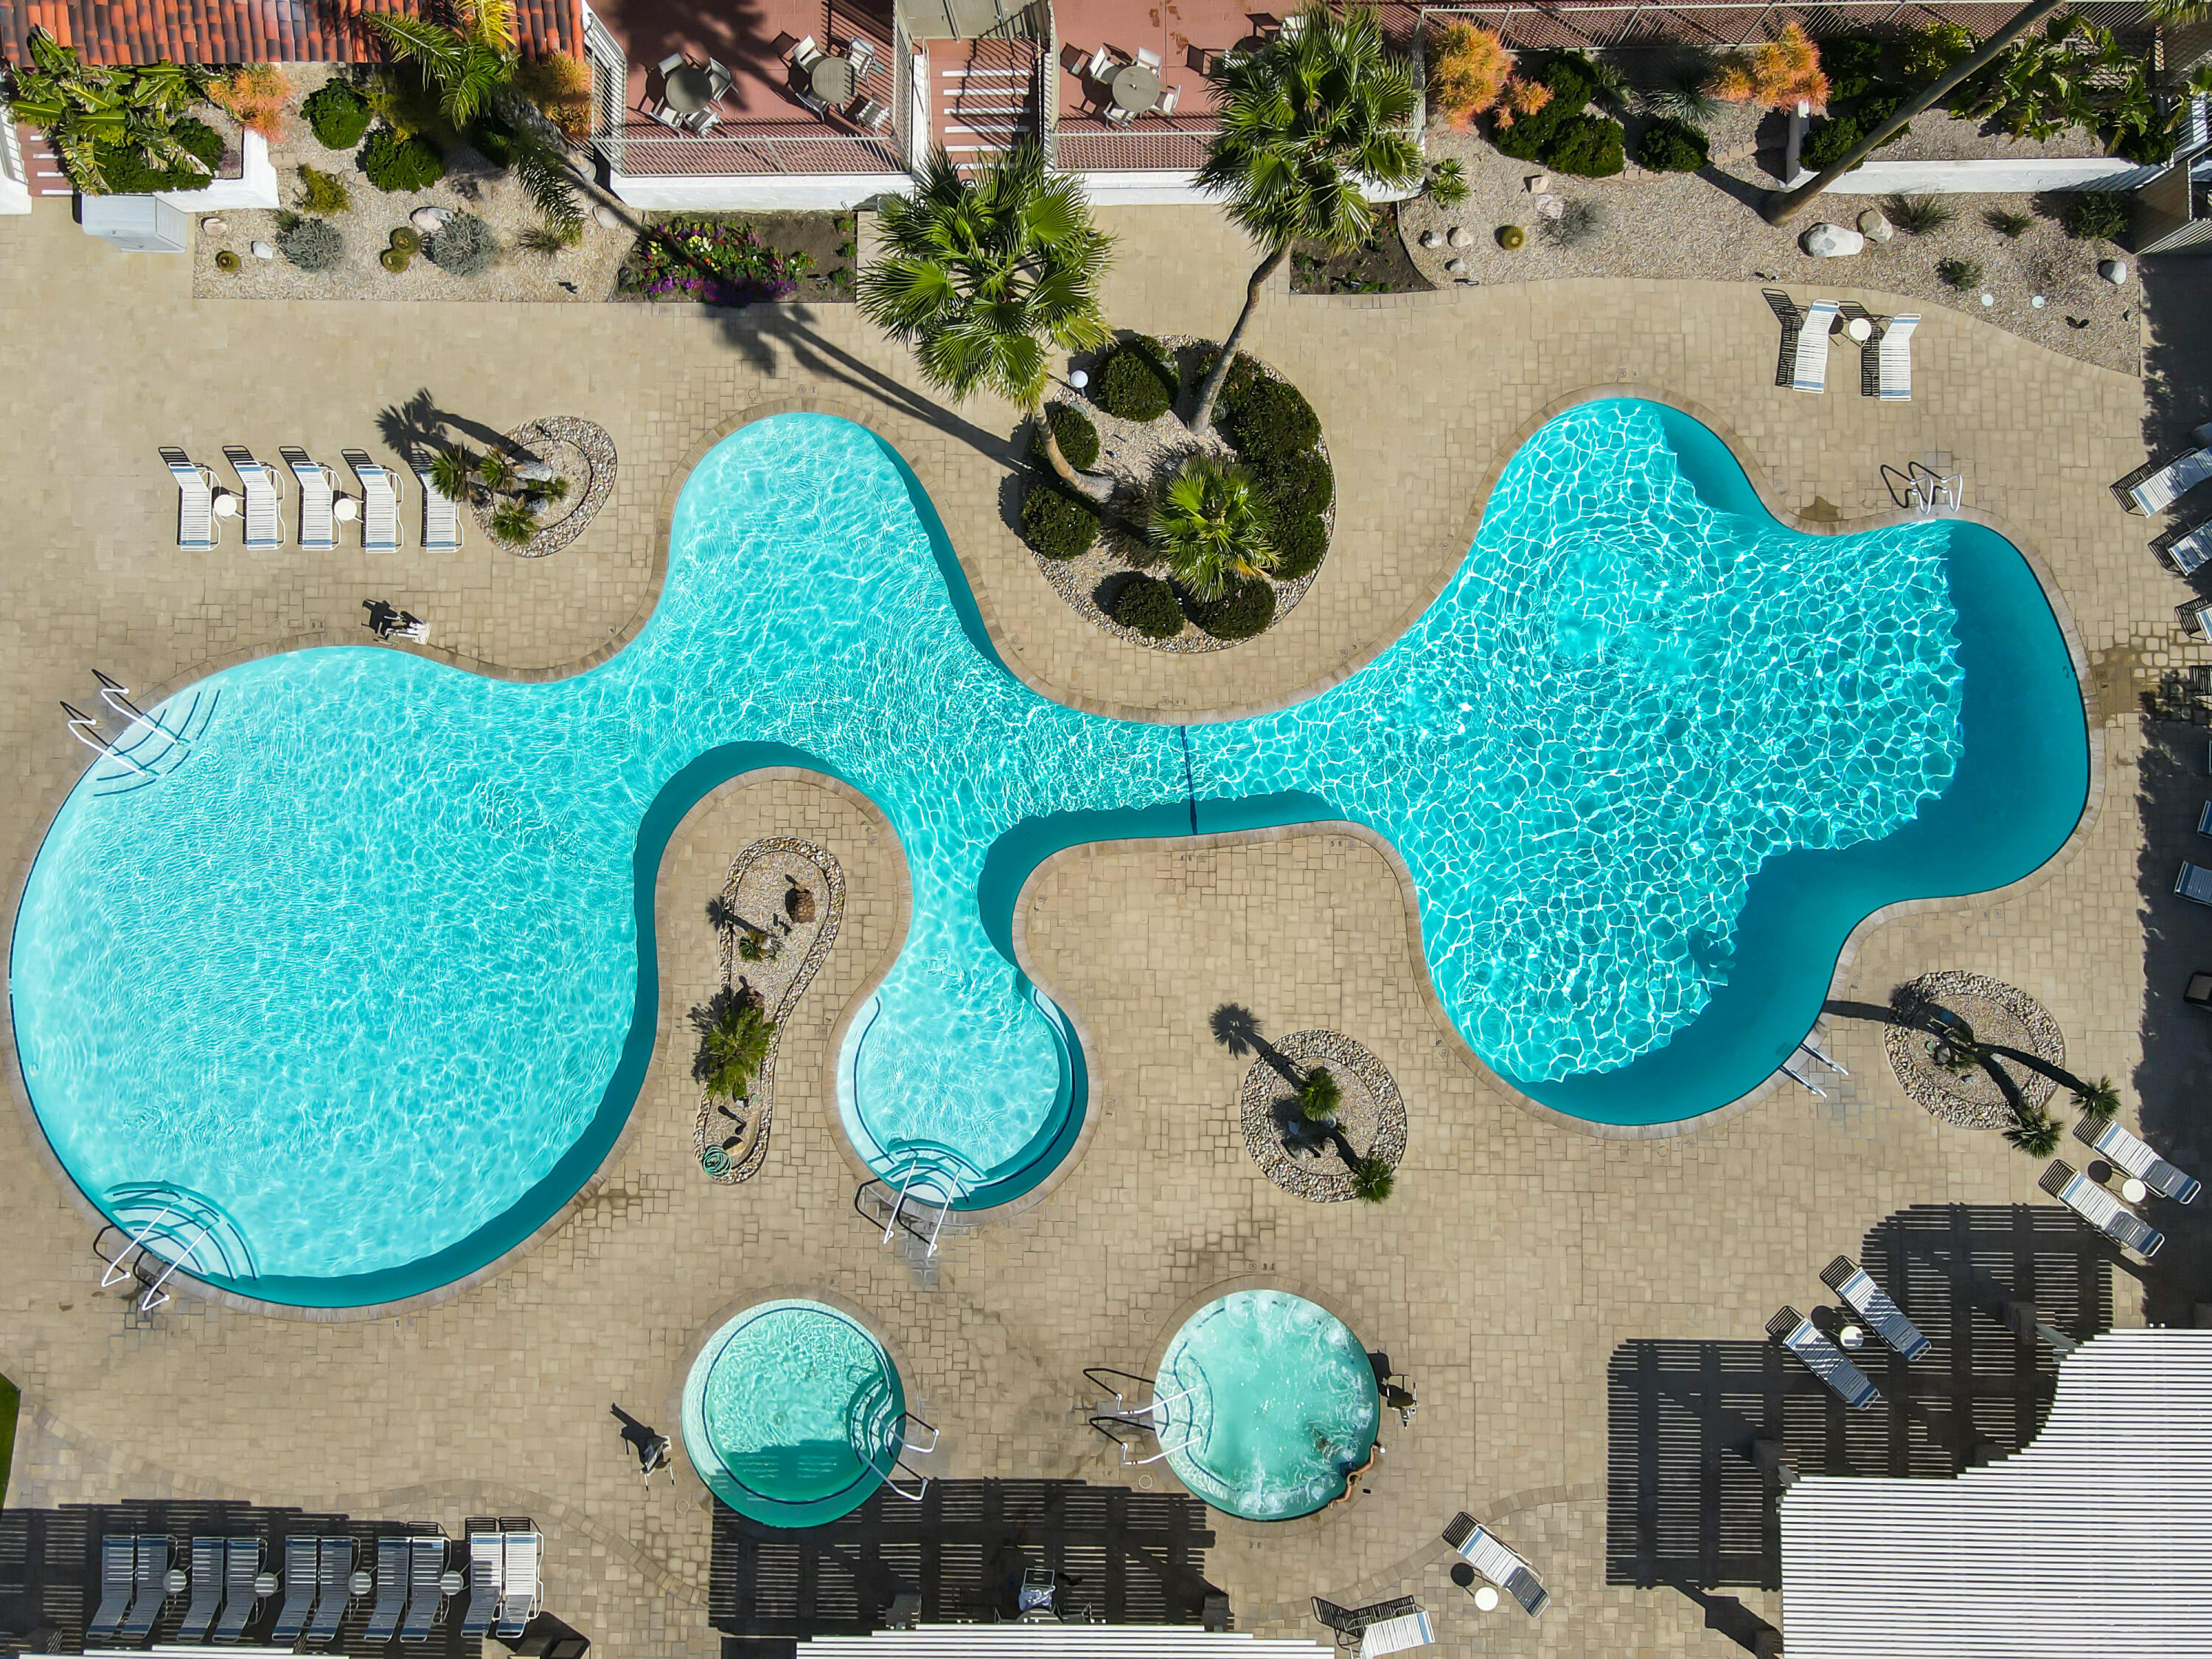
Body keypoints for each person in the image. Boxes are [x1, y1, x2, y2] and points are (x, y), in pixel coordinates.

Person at [611, 1404, 673, 1481]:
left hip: (645, 1450)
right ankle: (618, 1413)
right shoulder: (658, 1458)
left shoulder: (654, 1458)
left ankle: (618, 1415)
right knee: (640, 1430)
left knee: (641, 1431)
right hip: (648, 1448)